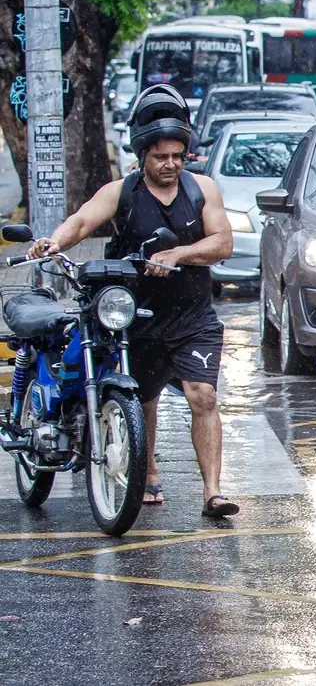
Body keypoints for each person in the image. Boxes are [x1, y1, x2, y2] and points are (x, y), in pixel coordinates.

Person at [27, 84, 240, 518]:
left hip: (192, 317)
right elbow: (82, 221)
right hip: (132, 317)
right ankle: (148, 471)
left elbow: (222, 242)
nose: (170, 164)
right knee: (142, 400)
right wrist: (53, 242)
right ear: (143, 155)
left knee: (203, 396)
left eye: (178, 156)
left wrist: (177, 253)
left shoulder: (202, 190)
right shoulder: (121, 192)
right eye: (161, 157)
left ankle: (213, 493)